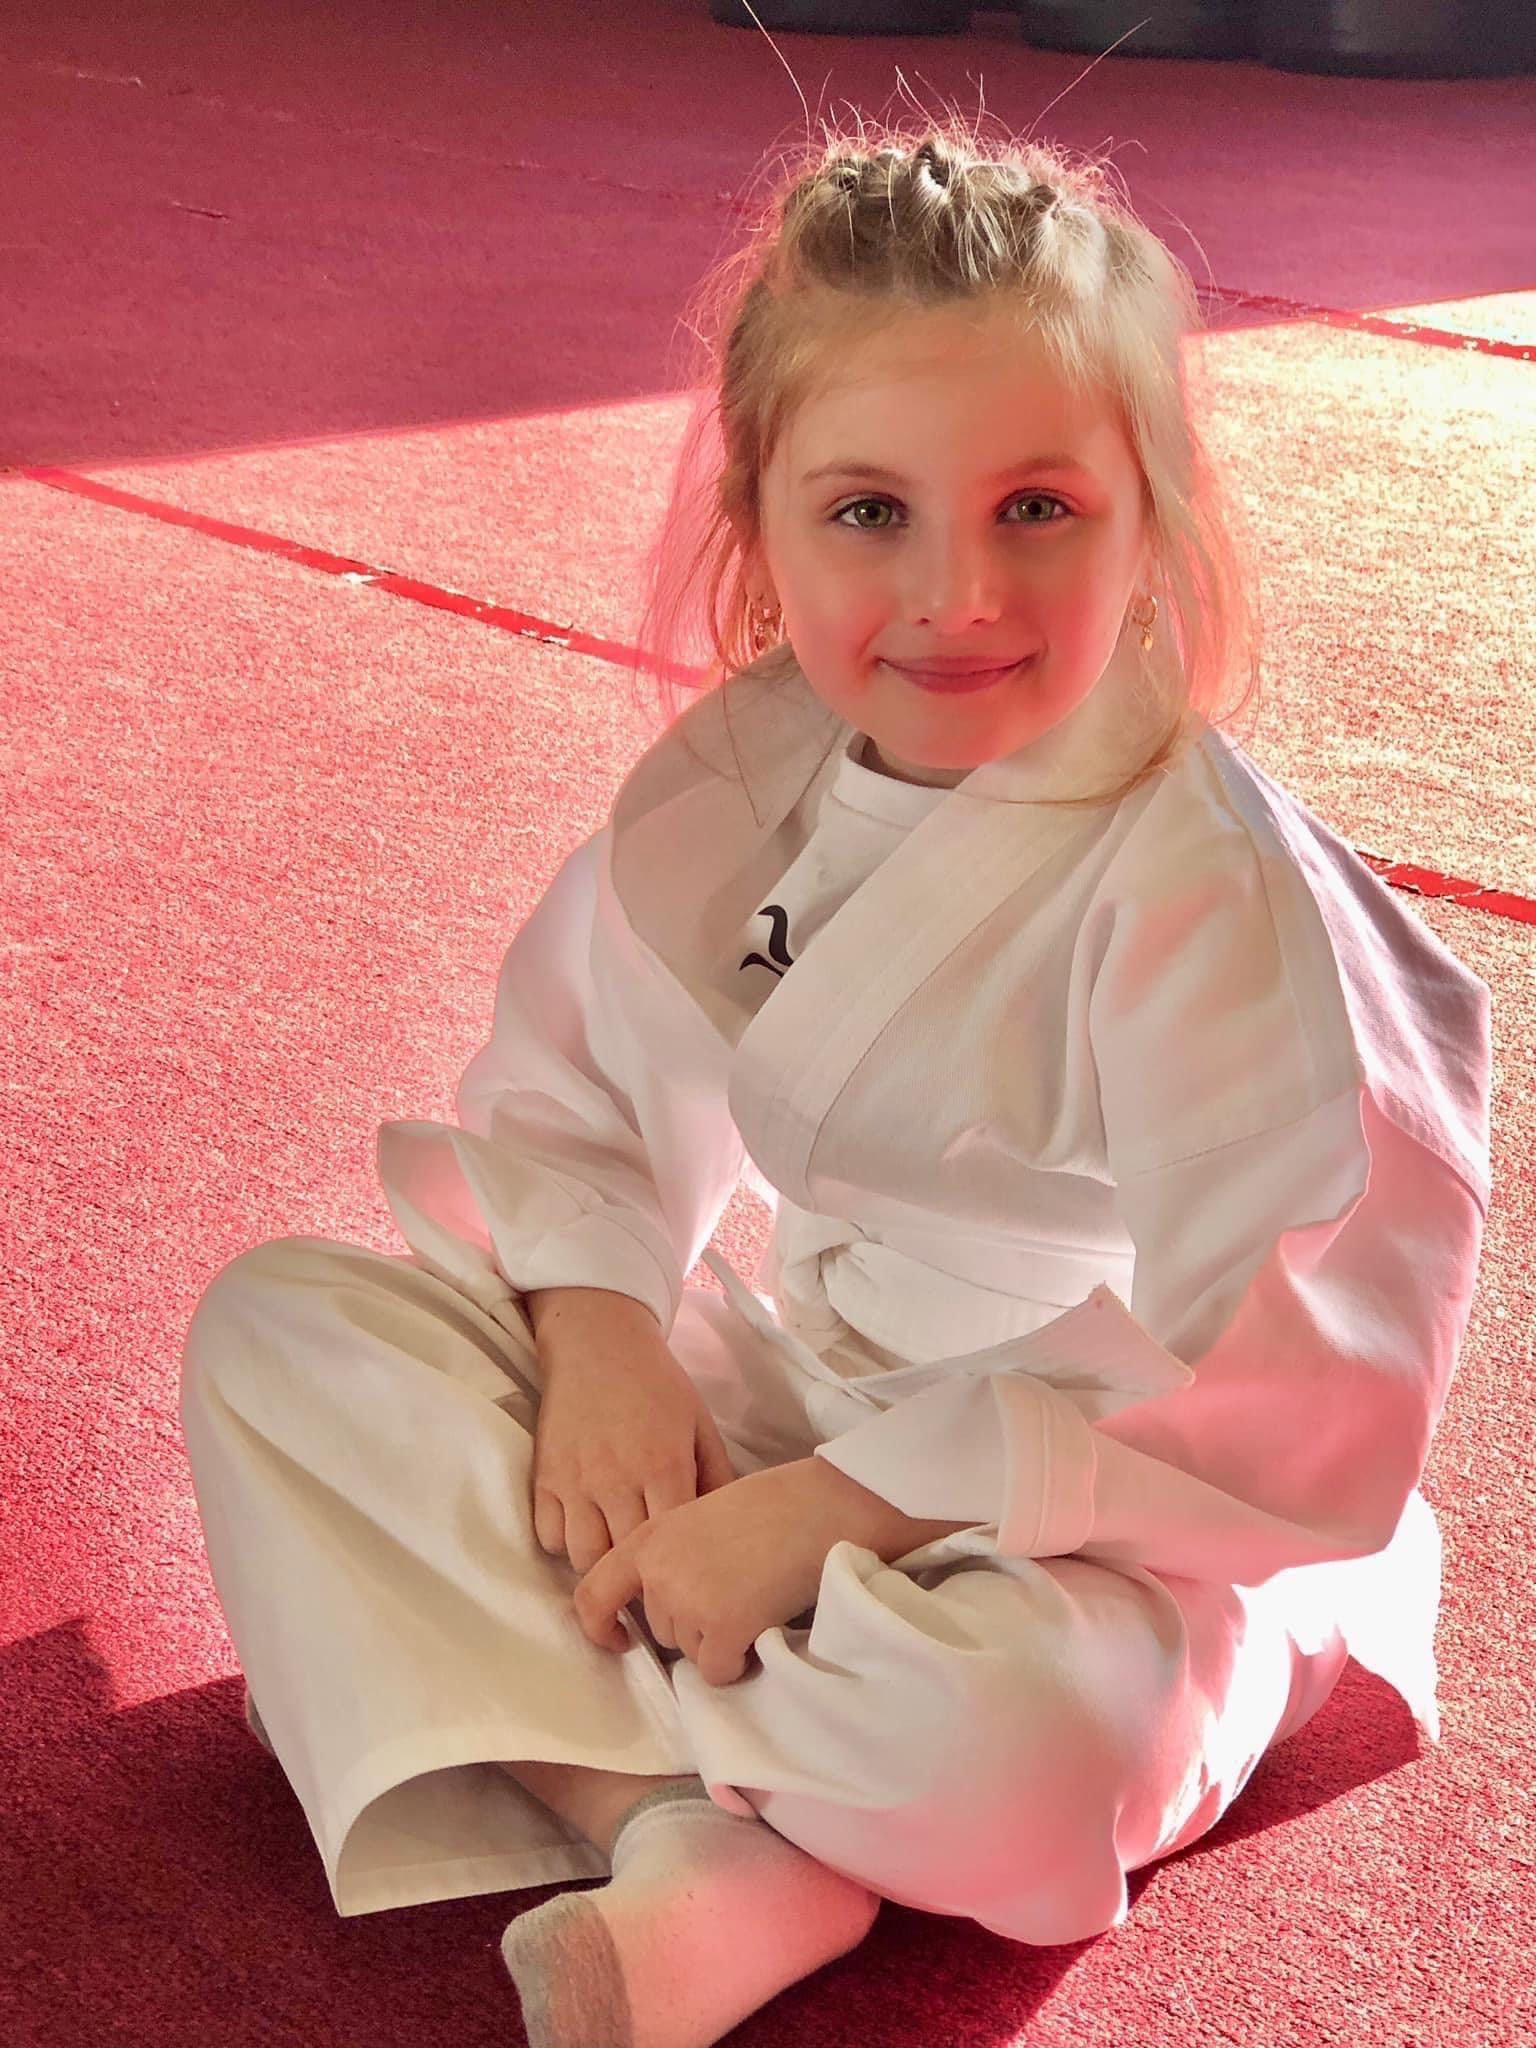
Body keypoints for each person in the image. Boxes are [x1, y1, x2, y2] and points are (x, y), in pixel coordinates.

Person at [179, 120, 1493, 2048]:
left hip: (1107, 1517)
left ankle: (559, 1712)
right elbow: (582, 1102)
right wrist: (606, 1339)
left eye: (1037, 507)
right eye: (870, 511)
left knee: (1009, 1748)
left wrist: (840, 1511)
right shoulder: (751, 781)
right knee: (284, 1339)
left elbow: (1288, 1382)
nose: (957, 593)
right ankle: (680, 1831)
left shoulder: (1213, 892)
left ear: (1151, 518)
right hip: (798, 1405)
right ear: (763, 528)